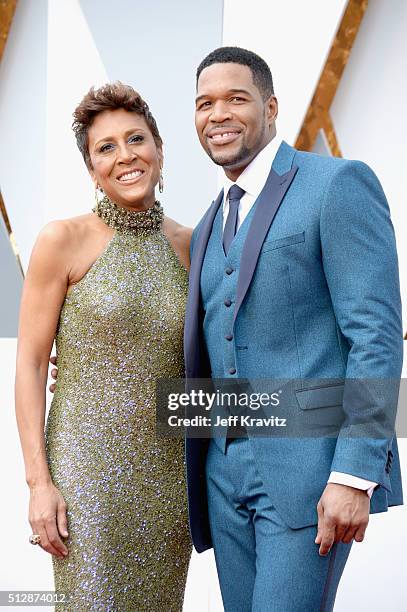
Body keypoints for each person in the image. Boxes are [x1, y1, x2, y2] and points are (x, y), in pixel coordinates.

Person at [184, 47, 403, 611]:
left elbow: (375, 336)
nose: (218, 114)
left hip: (308, 474)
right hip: (223, 475)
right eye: (205, 103)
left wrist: (355, 475)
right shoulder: (210, 223)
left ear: (272, 106)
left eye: (236, 98)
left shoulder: (336, 183)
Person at [15, 82, 192, 610]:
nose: (125, 156)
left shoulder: (191, 244)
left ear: (159, 148)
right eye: (106, 147)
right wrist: (37, 484)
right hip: (84, 477)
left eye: (135, 138)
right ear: (92, 169)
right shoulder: (61, 240)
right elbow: (28, 366)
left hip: (168, 481)